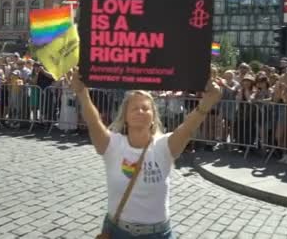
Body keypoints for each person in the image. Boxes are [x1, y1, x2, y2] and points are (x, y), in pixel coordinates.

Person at [68, 68, 221, 238]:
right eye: (134, 108)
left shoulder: (164, 146)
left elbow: (188, 128)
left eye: (145, 108)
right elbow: (93, 120)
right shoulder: (113, 145)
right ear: (125, 116)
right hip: (118, 232)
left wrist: (207, 103)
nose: (140, 111)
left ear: (153, 116)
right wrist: (82, 93)